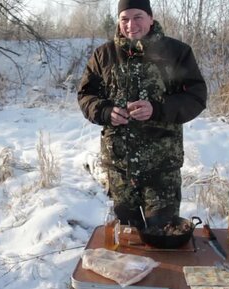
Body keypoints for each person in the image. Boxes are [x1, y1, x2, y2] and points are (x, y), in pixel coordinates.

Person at [77, 0, 207, 228]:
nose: (130, 25)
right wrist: (106, 112)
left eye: (137, 17)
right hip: (120, 167)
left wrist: (157, 109)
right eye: (124, 19)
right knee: (127, 240)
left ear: (150, 18)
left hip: (161, 168)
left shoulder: (176, 52)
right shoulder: (104, 55)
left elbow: (196, 98)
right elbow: (86, 96)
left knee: (162, 235)